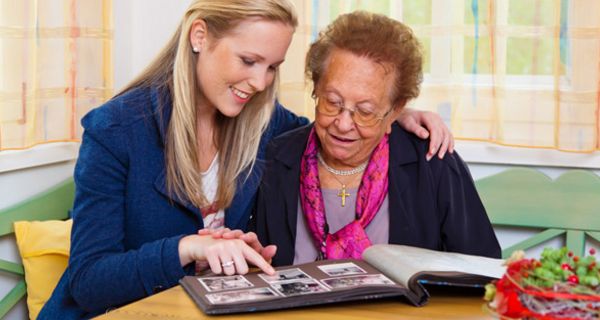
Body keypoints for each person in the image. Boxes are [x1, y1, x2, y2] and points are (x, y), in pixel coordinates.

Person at [39, 1, 453, 318]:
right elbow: (89, 281)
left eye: (273, 67)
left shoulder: (263, 121)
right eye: (249, 61)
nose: (259, 83)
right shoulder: (116, 130)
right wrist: (187, 248)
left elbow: (333, 128)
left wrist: (392, 117)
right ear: (199, 36)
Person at [251, 11, 501, 267]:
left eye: (365, 111)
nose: (344, 124)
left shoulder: (432, 163)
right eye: (332, 102)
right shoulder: (277, 158)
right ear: (316, 88)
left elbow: (482, 270)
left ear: (395, 109)